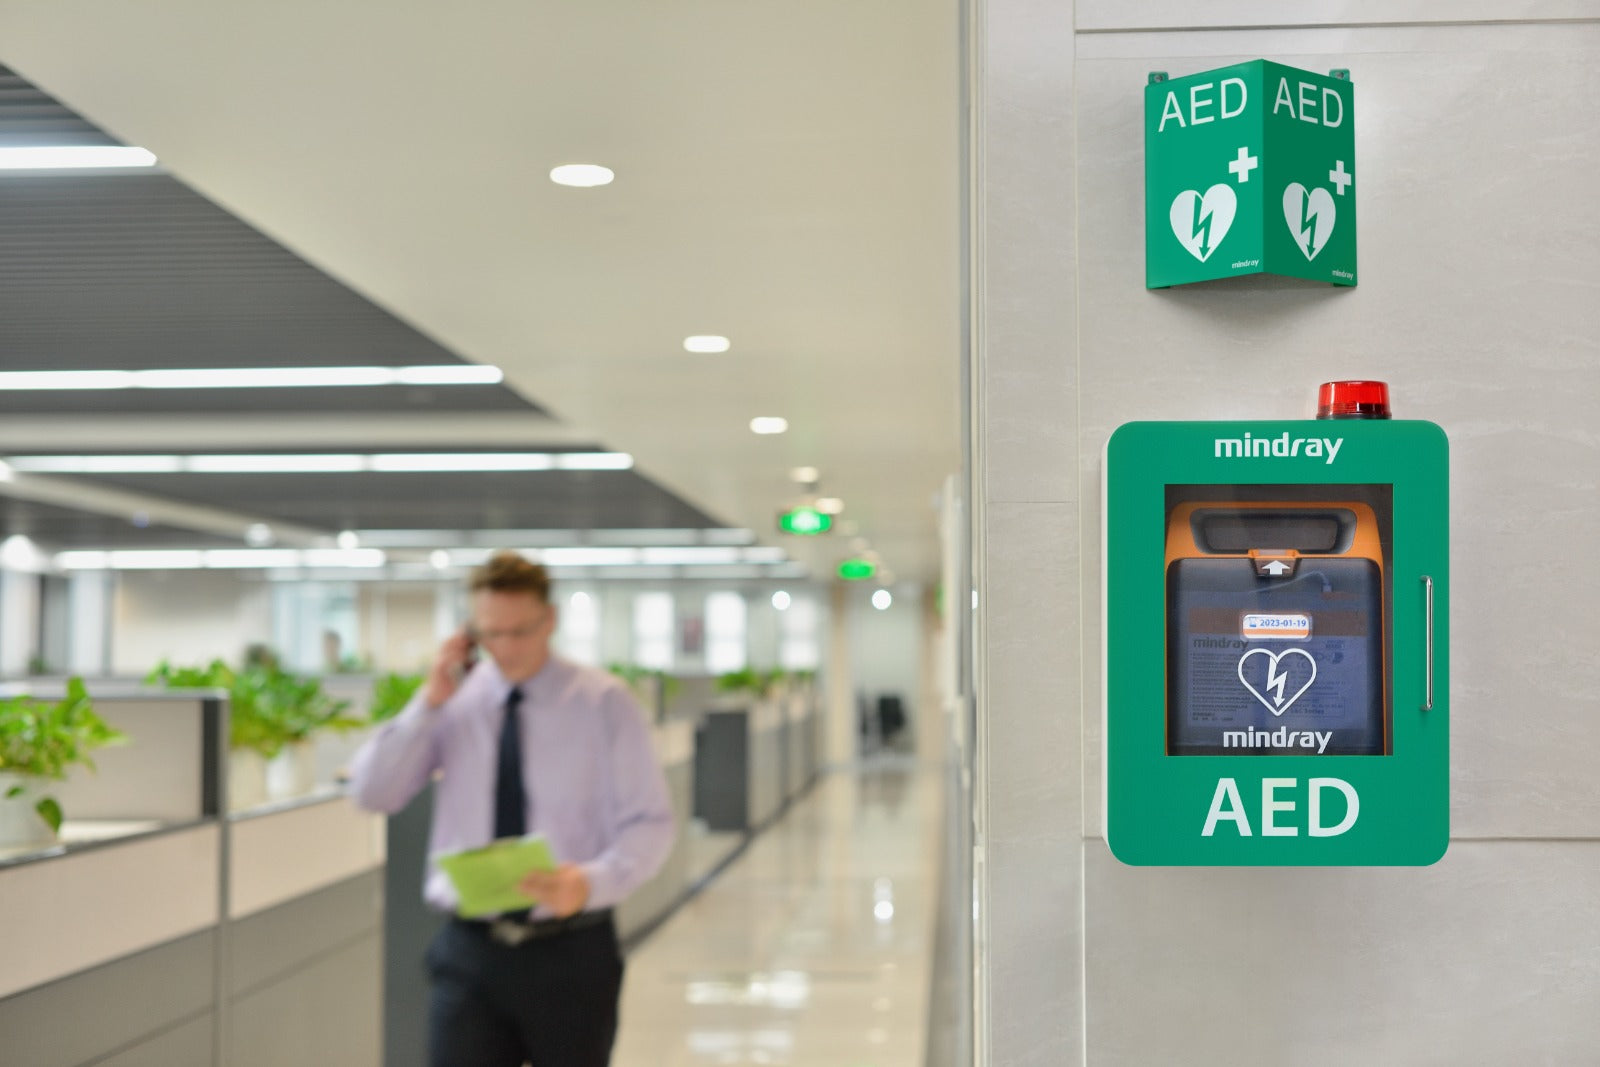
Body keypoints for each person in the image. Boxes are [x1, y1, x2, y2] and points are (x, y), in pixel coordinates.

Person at [349, 550, 675, 1067]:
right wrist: (427, 702)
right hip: (470, 953)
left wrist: (589, 882)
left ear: (550, 620)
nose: (506, 647)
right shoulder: (453, 703)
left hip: (570, 951)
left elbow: (650, 824)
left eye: (520, 631)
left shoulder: (603, 702)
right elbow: (373, 793)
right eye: (490, 633)